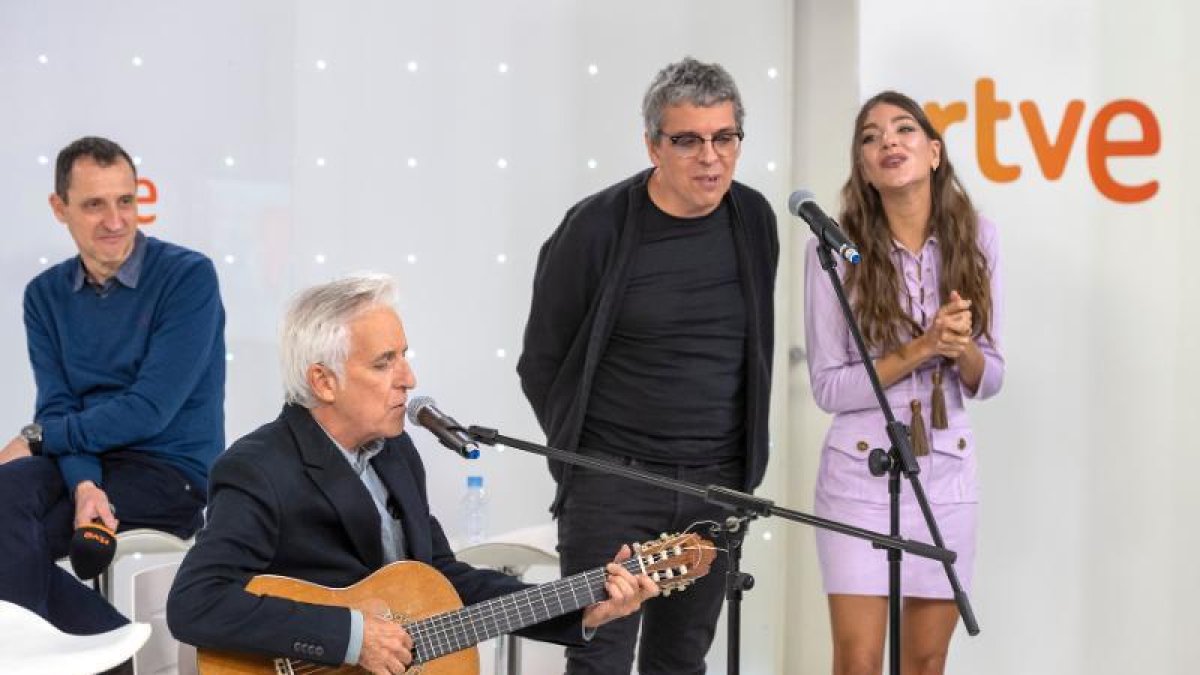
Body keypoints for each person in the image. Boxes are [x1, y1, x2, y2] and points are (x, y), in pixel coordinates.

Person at [167, 273, 658, 674]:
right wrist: (351, 639)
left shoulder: (395, 453)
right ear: (324, 380)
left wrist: (581, 606)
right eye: (385, 362)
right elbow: (195, 603)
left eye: (404, 355)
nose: (409, 378)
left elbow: (443, 581)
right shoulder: (259, 467)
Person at [517, 57, 779, 674]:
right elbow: (542, 360)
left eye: (724, 138)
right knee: (600, 660)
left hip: (714, 486)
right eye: (688, 140)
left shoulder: (755, 220)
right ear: (653, 146)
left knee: (681, 663)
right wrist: (584, 465)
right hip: (613, 482)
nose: (709, 157)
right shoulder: (595, 227)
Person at [803, 90, 1005, 675]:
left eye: (903, 130)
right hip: (858, 476)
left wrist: (959, 346)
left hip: (944, 475)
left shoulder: (979, 239)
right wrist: (921, 349)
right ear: (863, 167)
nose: (887, 141)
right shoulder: (833, 250)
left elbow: (989, 377)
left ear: (935, 152)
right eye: (870, 137)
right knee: (859, 661)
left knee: (924, 661)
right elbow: (828, 388)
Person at [0, 136, 226, 637]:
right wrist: (85, 485)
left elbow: (150, 410)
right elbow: (59, 405)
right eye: (94, 204)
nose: (116, 220)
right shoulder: (46, 295)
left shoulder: (188, 278)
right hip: (86, 460)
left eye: (126, 201)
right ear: (60, 208)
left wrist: (38, 440)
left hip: (169, 470)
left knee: (11, 533)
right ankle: (118, 653)